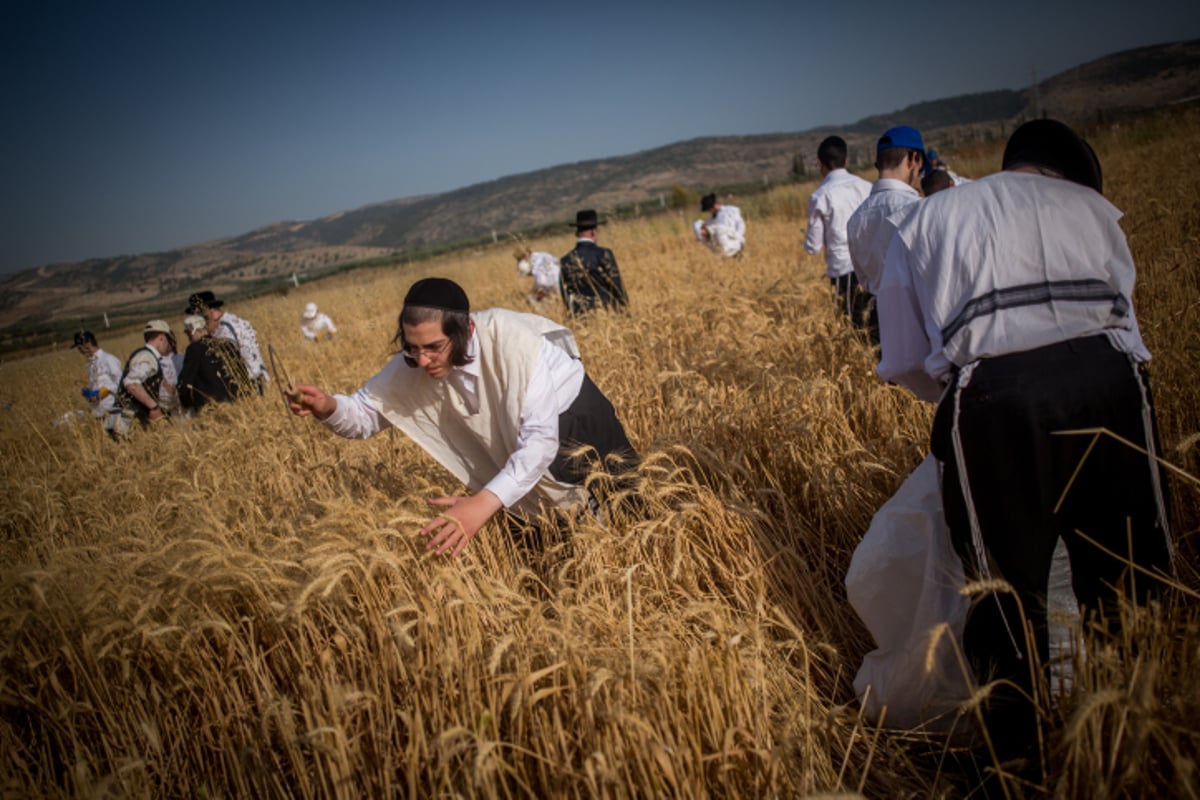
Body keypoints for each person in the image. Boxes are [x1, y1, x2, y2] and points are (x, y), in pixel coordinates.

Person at [875, 119, 1174, 764]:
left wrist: (965, 397)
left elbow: (900, 357)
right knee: (1132, 575)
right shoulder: (1096, 210)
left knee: (1005, 593)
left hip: (995, 402)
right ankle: (1145, 741)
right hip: (1111, 384)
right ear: (1068, 174)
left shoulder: (928, 220)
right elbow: (1130, 333)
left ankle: (1021, 765)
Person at [288, 277, 639, 558]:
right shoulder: (413, 361)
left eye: (433, 348)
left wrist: (482, 504)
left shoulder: (512, 343)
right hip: (520, 440)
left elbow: (539, 443)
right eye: (411, 347)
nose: (421, 361)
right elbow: (365, 414)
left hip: (575, 415)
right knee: (552, 538)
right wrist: (329, 408)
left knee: (627, 505)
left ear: (466, 330)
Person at [847, 126, 926, 343]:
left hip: (879, 319)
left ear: (877, 166)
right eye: (920, 166)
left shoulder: (855, 219)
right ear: (913, 158)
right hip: (919, 318)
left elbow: (863, 278)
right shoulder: (919, 210)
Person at [804, 136, 872, 325]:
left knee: (852, 327)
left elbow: (813, 246)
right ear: (846, 160)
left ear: (820, 164)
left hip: (843, 270)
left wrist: (808, 240)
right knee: (876, 328)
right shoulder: (867, 187)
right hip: (873, 266)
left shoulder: (820, 196)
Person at [185, 291, 269, 392]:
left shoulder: (226, 330)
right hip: (256, 382)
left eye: (200, 317)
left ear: (211, 312)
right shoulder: (231, 322)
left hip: (252, 385)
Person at [108, 319, 175, 436]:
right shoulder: (147, 357)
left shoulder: (143, 354)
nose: (168, 345)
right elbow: (131, 383)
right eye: (168, 340)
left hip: (122, 419)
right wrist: (153, 407)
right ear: (161, 337)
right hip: (127, 422)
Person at [559, 210, 628, 317]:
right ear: (593, 232)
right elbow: (616, 284)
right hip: (605, 311)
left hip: (580, 314)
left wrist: (571, 313)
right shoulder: (603, 254)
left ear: (576, 234)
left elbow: (565, 292)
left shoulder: (565, 260)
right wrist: (625, 306)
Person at [178, 315, 248, 411]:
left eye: (188, 334)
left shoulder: (194, 350)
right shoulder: (227, 345)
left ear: (192, 332)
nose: (189, 338)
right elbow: (243, 374)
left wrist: (186, 403)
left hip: (213, 409)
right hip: (239, 403)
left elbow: (186, 381)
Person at [74, 331, 122, 418]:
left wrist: (104, 391)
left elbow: (120, 382)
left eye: (79, 347)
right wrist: (89, 393)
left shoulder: (108, 359)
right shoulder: (91, 364)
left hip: (111, 407)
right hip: (97, 409)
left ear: (87, 344)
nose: (79, 350)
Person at [694, 193, 746, 257]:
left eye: (710, 210)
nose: (709, 212)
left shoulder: (731, 210)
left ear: (714, 206)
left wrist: (738, 237)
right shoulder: (711, 220)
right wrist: (700, 236)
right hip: (725, 250)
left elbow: (740, 224)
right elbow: (706, 229)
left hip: (736, 244)